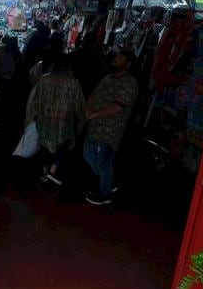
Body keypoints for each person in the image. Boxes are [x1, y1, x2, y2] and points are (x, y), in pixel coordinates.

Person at [83, 50, 139, 205]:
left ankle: (105, 193)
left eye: (121, 57)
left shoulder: (130, 83)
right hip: (95, 126)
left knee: (103, 162)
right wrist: (88, 109)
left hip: (110, 130)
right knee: (88, 156)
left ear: (128, 64)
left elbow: (118, 106)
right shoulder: (107, 78)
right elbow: (94, 94)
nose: (116, 58)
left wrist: (95, 114)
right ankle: (108, 183)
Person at [25, 54, 86, 186]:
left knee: (45, 145)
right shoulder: (73, 83)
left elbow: (32, 101)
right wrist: (82, 120)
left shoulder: (43, 80)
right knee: (62, 145)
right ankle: (52, 171)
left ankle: (45, 171)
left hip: (45, 121)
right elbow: (80, 104)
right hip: (64, 123)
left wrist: (29, 119)